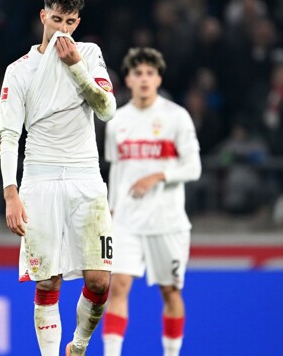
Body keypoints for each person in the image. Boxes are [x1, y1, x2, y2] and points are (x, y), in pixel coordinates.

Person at [0, 0, 117, 356]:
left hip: (85, 177)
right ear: (43, 16)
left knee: (99, 281)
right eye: (56, 19)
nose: (62, 28)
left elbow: (107, 110)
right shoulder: (19, 70)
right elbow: (9, 136)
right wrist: (11, 194)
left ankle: (78, 345)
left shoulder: (89, 54)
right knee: (48, 282)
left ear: (77, 22)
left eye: (69, 22)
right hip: (40, 179)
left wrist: (76, 67)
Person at [101, 47, 201, 356]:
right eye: (138, 73)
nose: (144, 79)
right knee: (118, 286)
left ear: (158, 79)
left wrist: (158, 175)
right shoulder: (117, 121)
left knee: (170, 292)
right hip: (126, 221)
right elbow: (116, 171)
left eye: (150, 73)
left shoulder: (176, 117)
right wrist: (110, 212)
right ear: (128, 80)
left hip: (166, 221)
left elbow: (194, 167)